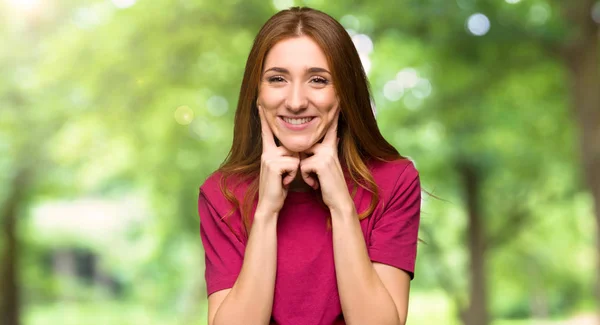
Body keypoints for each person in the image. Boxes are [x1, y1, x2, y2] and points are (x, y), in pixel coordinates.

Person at [198, 6, 421, 325]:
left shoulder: (394, 181)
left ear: (344, 92)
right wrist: (266, 213)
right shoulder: (221, 194)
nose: (296, 101)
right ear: (256, 93)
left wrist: (341, 205)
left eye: (318, 80)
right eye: (277, 79)